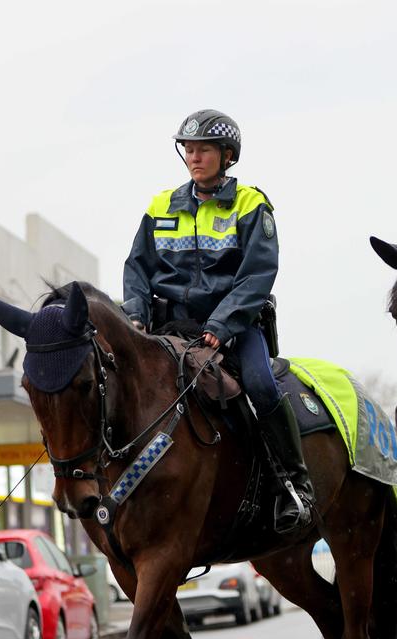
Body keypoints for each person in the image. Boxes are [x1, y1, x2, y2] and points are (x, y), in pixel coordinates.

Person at [122, 109, 314, 533]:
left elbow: (258, 274)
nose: (193, 156)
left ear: (227, 155)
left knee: (262, 385)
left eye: (203, 149)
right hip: (168, 327)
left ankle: (293, 486)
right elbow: (136, 268)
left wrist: (223, 324)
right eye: (188, 149)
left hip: (235, 327)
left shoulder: (251, 205)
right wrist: (135, 315)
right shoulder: (160, 206)